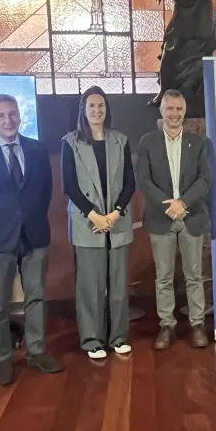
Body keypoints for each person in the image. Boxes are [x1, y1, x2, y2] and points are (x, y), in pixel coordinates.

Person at [0, 94, 61, 384]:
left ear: (20, 115)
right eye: (1, 115)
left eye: (13, 114)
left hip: (34, 233)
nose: (8, 120)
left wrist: (29, 217)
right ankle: (2, 359)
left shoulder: (37, 149)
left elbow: (45, 191)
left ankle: (37, 351)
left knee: (37, 296)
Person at [62, 86, 136, 359]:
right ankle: (92, 340)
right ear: (83, 109)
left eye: (101, 105)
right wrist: (94, 215)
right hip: (88, 223)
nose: (96, 110)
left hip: (117, 221)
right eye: (91, 106)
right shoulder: (70, 142)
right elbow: (69, 185)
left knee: (118, 284)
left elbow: (129, 183)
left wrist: (115, 214)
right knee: (90, 287)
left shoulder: (120, 140)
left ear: (107, 109)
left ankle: (118, 337)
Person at [136, 89, 211, 350]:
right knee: (164, 277)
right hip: (161, 217)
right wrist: (169, 205)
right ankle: (166, 325)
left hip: (192, 216)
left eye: (179, 109)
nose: (175, 114)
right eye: (170, 108)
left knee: (194, 276)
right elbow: (144, 180)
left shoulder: (199, 143)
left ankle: (197, 324)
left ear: (184, 111)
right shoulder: (147, 142)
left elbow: (205, 179)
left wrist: (183, 203)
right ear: (162, 111)